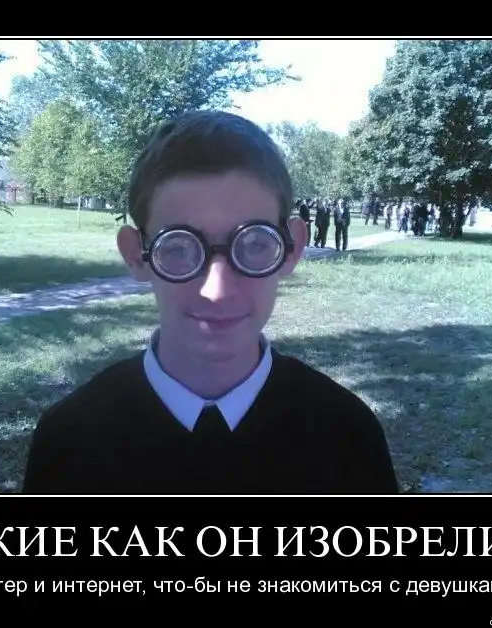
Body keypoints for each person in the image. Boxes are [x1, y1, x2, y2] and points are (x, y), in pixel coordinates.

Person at [22, 110, 399, 496]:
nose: (217, 290)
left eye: (255, 244)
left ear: (291, 249)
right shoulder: (69, 439)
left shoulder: (347, 435)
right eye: (178, 248)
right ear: (137, 255)